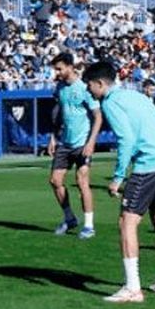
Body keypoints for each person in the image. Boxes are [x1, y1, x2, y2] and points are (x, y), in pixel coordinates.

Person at [86, 60, 155, 303]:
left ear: (99, 84)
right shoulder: (135, 96)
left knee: (126, 222)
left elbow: (126, 139)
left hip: (149, 164)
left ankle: (132, 288)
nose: (88, 91)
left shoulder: (110, 102)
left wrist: (118, 177)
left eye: (90, 86)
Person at [44, 51, 101, 238]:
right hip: (64, 142)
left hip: (82, 143)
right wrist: (53, 137)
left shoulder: (85, 89)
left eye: (59, 69)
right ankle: (69, 218)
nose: (57, 72)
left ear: (70, 66)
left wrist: (91, 142)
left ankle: (89, 225)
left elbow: (98, 117)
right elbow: (58, 115)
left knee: (82, 181)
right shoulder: (60, 88)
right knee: (55, 181)